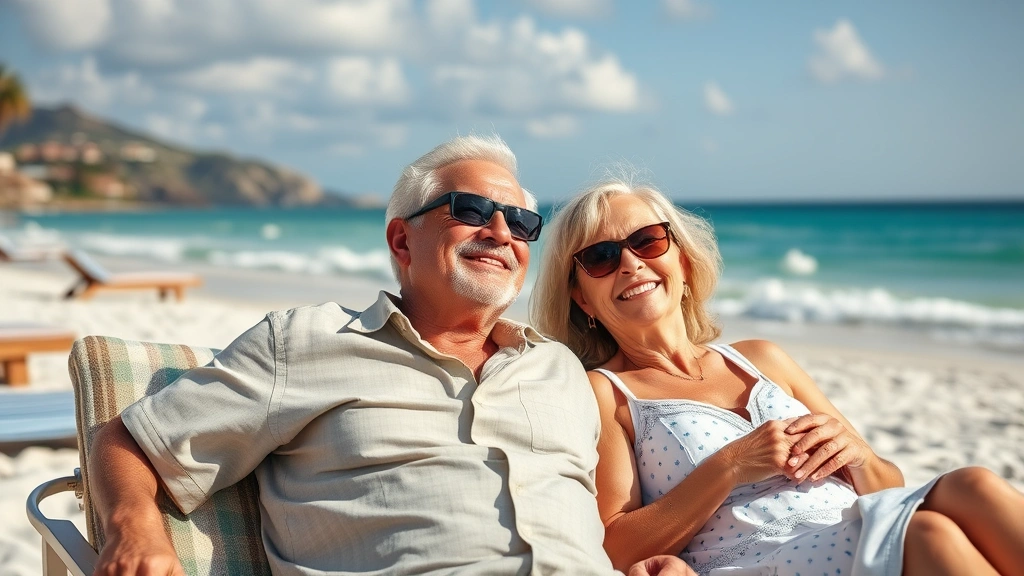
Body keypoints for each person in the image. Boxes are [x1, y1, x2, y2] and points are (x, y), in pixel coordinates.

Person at [88, 136, 693, 576]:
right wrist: (135, 527)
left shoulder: (560, 370)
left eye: (520, 221)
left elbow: (596, 526)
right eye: (472, 211)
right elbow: (130, 439)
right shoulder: (306, 345)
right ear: (403, 239)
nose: (501, 233)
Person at [530, 177, 1024, 576]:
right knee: (929, 534)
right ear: (580, 299)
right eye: (600, 257)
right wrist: (731, 466)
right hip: (762, 554)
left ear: (680, 258)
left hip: (856, 519)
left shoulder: (762, 357)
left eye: (647, 240)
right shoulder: (606, 392)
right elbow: (615, 546)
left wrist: (855, 454)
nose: (631, 263)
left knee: (974, 485)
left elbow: (886, 483)